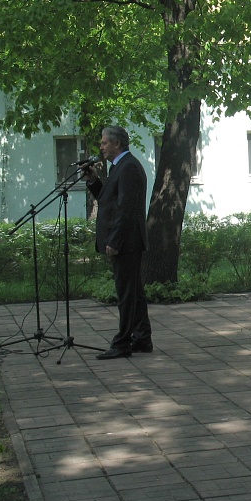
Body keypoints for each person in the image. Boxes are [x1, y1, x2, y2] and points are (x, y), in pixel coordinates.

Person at [83, 126, 152, 359]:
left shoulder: (129, 167)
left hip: (127, 242)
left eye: (104, 143)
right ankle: (142, 338)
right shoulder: (119, 166)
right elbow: (110, 201)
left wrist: (115, 241)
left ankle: (122, 343)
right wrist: (94, 181)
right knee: (134, 292)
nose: (101, 147)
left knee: (126, 294)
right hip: (126, 240)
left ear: (117, 144)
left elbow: (126, 210)